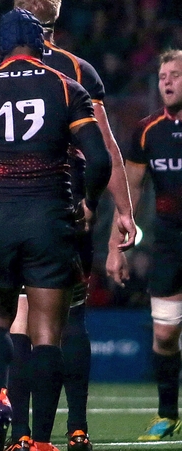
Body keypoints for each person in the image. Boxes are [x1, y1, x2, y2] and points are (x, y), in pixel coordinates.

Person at [0, 2, 137, 449]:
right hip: (61, 208)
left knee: (23, 321)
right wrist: (115, 209)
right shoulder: (75, 72)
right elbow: (104, 148)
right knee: (60, 319)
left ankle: (21, 428)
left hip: (9, 210)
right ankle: (60, 431)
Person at [106, 48, 182, 442]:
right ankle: (168, 414)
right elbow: (130, 194)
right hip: (169, 244)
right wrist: (117, 248)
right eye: (162, 76)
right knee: (165, 335)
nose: (166, 81)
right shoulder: (147, 131)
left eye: (175, 75)